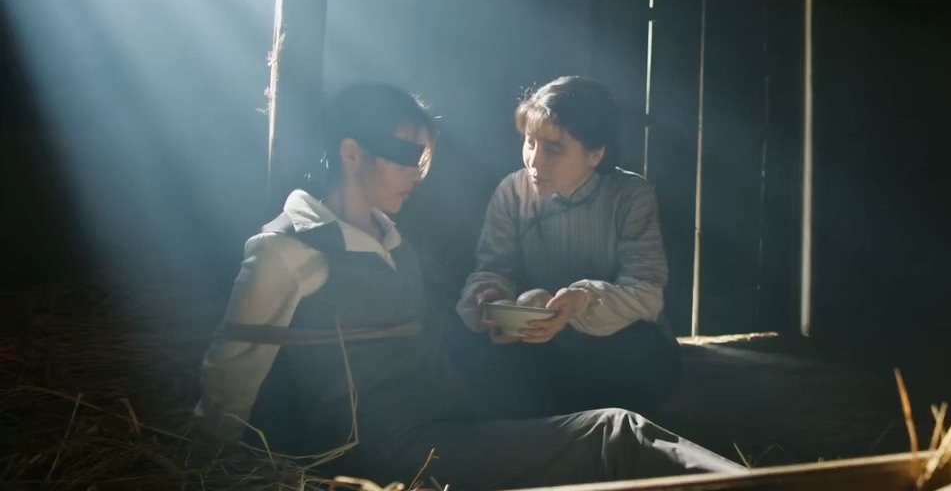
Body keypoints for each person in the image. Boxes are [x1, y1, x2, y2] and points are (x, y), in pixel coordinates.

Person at [195, 82, 743, 491]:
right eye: (407, 157)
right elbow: (232, 367)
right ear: (352, 153)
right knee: (614, 435)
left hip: (441, 411)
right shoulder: (287, 249)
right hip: (388, 448)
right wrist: (210, 461)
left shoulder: (391, 241)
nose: (418, 173)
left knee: (604, 419)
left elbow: (644, 289)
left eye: (423, 159)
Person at [452, 76, 682, 420]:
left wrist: (580, 301)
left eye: (553, 149)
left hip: (611, 343)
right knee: (471, 348)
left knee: (641, 356)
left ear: (596, 153)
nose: (534, 162)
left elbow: (646, 292)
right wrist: (492, 298)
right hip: (538, 341)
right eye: (530, 142)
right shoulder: (513, 191)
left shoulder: (630, 195)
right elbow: (494, 267)